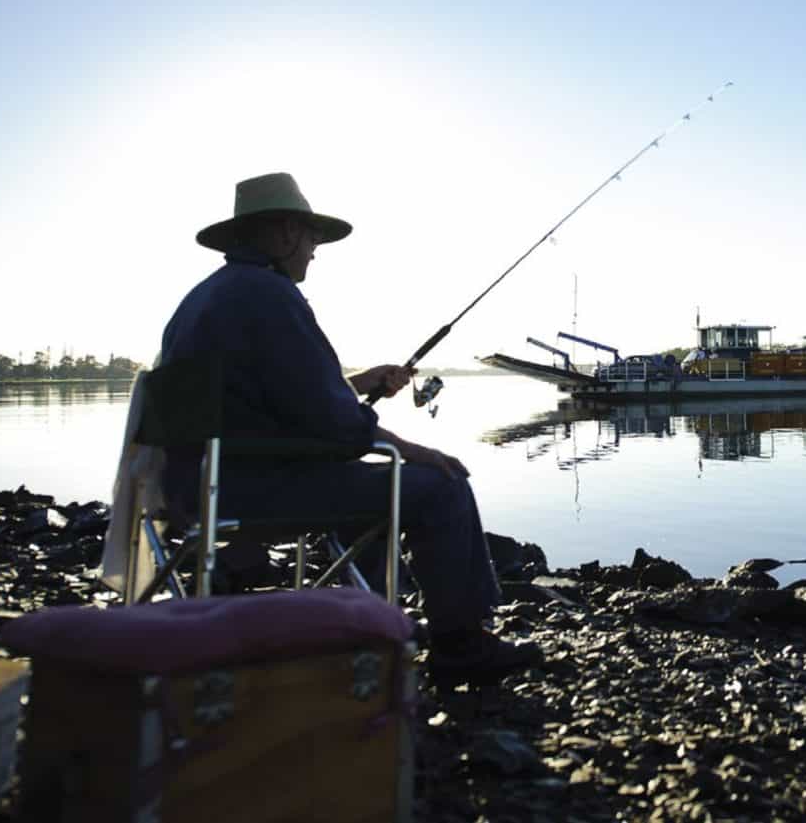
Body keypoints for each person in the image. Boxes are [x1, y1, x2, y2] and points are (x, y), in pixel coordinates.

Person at [159, 172, 540, 685]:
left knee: (363, 475)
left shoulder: (210, 296)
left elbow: (270, 397)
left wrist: (358, 384)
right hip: (247, 491)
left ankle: (368, 620)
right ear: (288, 232)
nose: (315, 251)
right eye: (313, 237)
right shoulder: (270, 296)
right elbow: (334, 421)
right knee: (442, 486)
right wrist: (414, 449)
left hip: (197, 483)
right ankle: (460, 643)